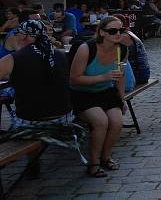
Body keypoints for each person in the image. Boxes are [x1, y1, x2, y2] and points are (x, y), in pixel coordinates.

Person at [69, 16, 128, 178]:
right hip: (82, 93)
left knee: (117, 123)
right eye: (113, 31)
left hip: (105, 92)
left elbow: (120, 75)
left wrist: (121, 99)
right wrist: (104, 77)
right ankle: (93, 163)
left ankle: (106, 157)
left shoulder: (121, 49)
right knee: (101, 122)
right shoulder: (86, 49)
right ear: (102, 32)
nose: (118, 34)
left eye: (121, 30)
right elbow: (74, 79)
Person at [0, 20, 71, 127]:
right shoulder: (60, 55)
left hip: (31, 120)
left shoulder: (13, 58)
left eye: (16, 34)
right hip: (64, 118)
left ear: (23, 36)